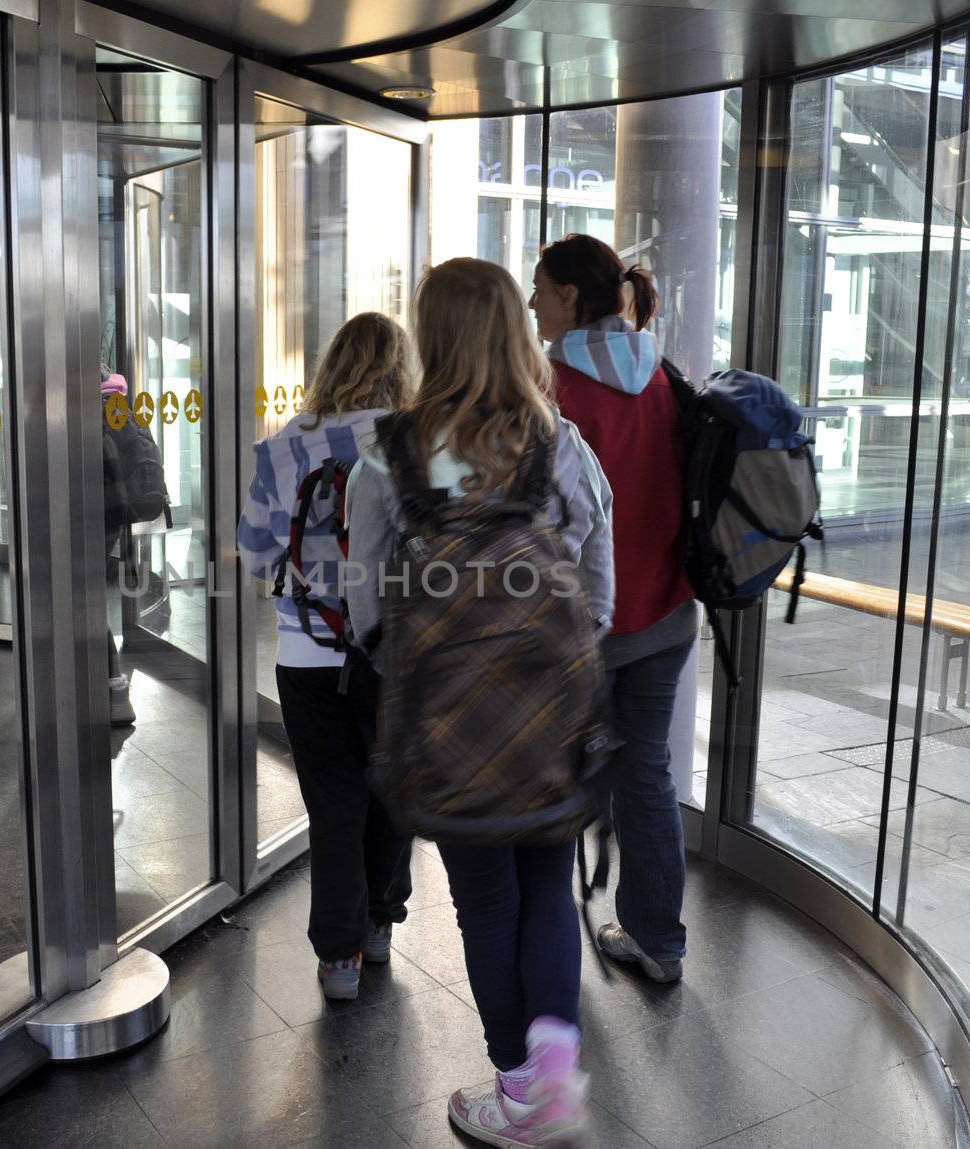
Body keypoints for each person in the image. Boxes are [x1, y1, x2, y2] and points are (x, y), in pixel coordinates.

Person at [345, 259, 613, 1147]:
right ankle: (552, 1083)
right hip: (548, 719)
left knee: (486, 904)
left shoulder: (390, 454)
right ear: (509, 329)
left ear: (433, 333)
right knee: (547, 891)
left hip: (450, 726)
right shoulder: (557, 443)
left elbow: (365, 603)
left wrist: (420, 661)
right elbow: (598, 584)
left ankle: (518, 1094)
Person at [530, 233, 697, 984]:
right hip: (666, 610)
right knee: (648, 774)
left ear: (569, 295)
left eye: (540, 287)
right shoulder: (657, 371)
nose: (532, 300)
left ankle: (554, 945)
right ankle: (660, 942)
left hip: (586, 625)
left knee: (562, 781)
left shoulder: (555, 385)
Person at [237, 312, 417, 1002]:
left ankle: (337, 958)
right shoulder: (422, 445)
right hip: (395, 653)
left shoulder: (281, 445)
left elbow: (255, 553)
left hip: (306, 653)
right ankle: (379, 923)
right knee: (393, 791)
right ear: (400, 368)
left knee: (333, 803)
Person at [100, 368, 169, 726]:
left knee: (83, 603)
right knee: (87, 601)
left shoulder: (80, 393)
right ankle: (112, 691)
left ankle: (114, 692)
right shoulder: (116, 397)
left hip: (91, 513)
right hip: (112, 514)